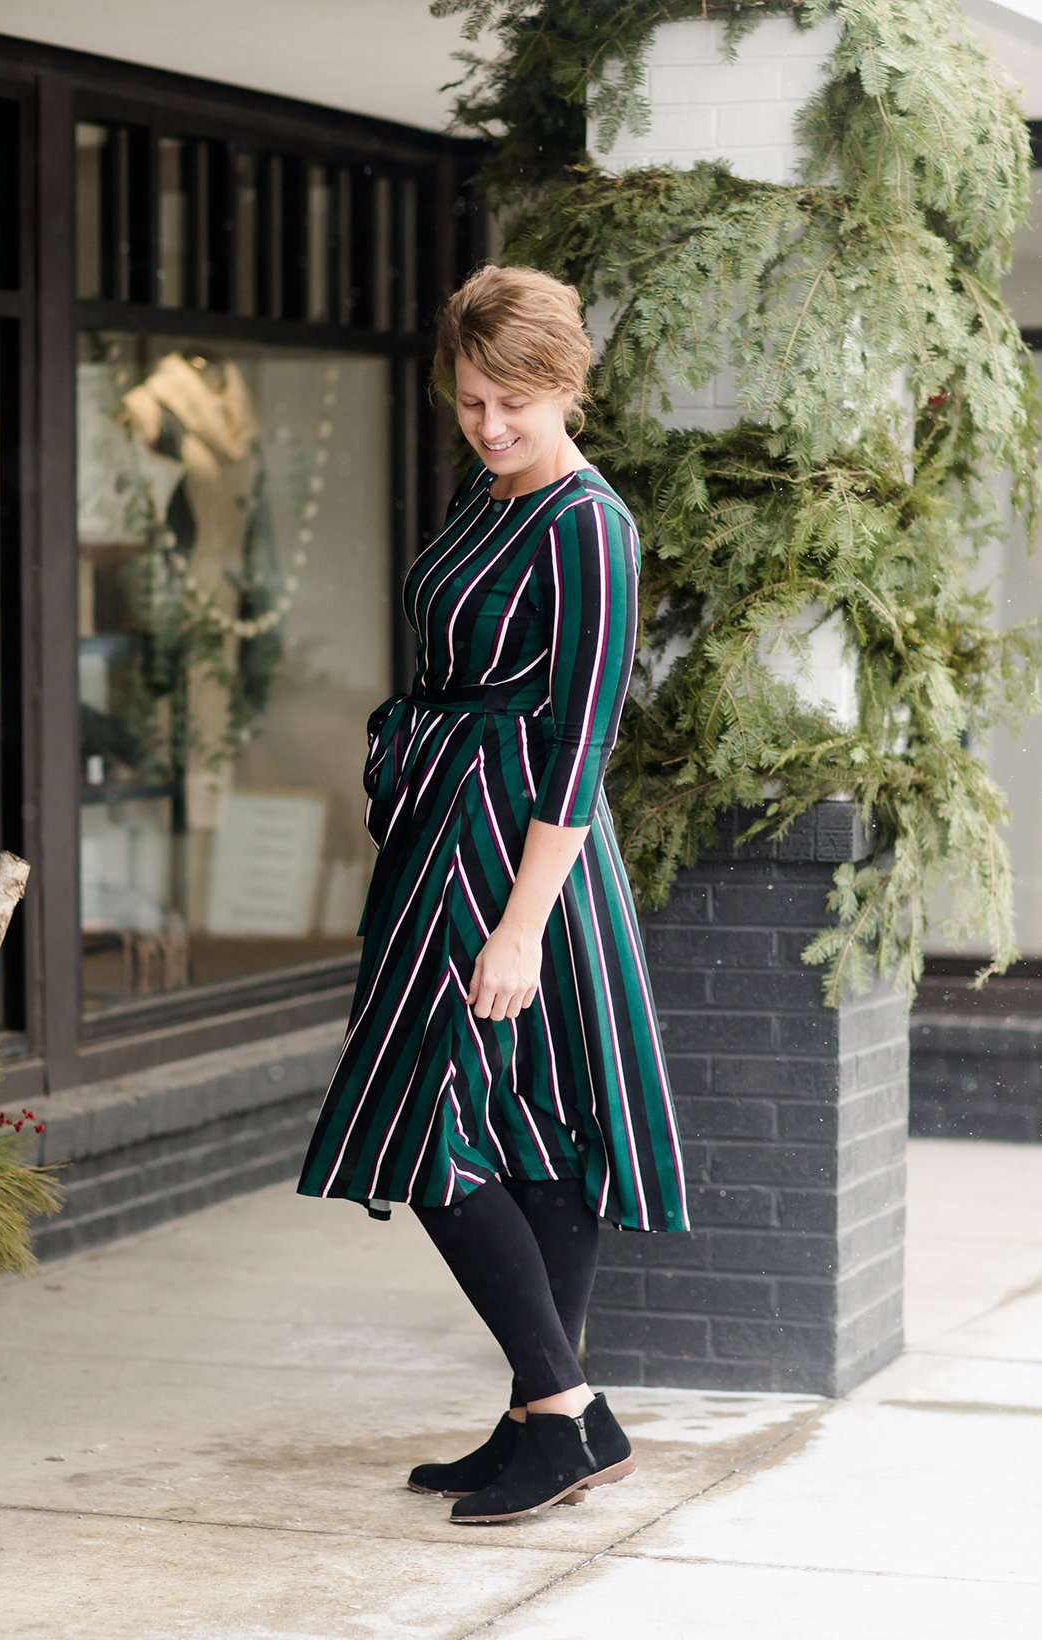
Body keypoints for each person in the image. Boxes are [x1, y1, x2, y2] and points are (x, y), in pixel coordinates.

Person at [296, 262, 691, 1525]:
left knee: (441, 1123)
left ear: (568, 385)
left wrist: (522, 923)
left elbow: (581, 739)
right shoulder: (486, 490)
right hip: (440, 837)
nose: (492, 424)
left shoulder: (590, 524)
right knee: (517, 1121)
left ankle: (562, 1414)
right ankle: (544, 1409)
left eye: (516, 399)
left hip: (522, 860)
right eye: (471, 400)